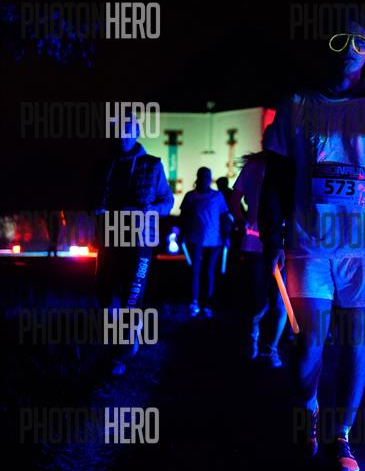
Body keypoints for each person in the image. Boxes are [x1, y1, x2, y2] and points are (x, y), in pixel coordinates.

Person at [258, 11, 365, 471]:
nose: (349, 49)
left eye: (360, 43)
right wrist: (271, 237)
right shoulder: (296, 104)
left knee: (356, 344)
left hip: (363, 246)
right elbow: (276, 179)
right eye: (341, 40)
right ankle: (309, 409)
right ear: (327, 45)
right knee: (310, 344)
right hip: (309, 244)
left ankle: (340, 436)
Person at [95, 110, 174, 376]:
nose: (122, 136)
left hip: (140, 240)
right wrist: (97, 209)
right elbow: (96, 198)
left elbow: (167, 200)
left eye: (127, 130)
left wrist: (150, 210)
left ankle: (124, 351)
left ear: (137, 133)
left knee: (132, 295)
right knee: (107, 293)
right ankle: (118, 339)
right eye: (118, 130)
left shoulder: (152, 165)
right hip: (110, 238)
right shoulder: (107, 165)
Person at [230, 145, 287, 368]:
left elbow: (235, 200)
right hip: (258, 243)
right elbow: (235, 199)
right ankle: (255, 338)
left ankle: (270, 347)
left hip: (284, 243)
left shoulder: (291, 163)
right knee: (260, 299)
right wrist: (243, 222)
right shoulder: (256, 166)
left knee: (279, 301)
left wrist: (242, 221)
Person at [180, 167, 231, 318]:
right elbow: (184, 216)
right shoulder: (190, 196)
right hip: (194, 239)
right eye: (203, 176)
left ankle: (207, 303)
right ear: (198, 177)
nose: (205, 179)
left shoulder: (217, 196)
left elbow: (224, 217)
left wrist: (226, 235)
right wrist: (182, 233)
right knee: (195, 272)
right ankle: (194, 302)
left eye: (208, 176)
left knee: (209, 272)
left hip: (214, 241)